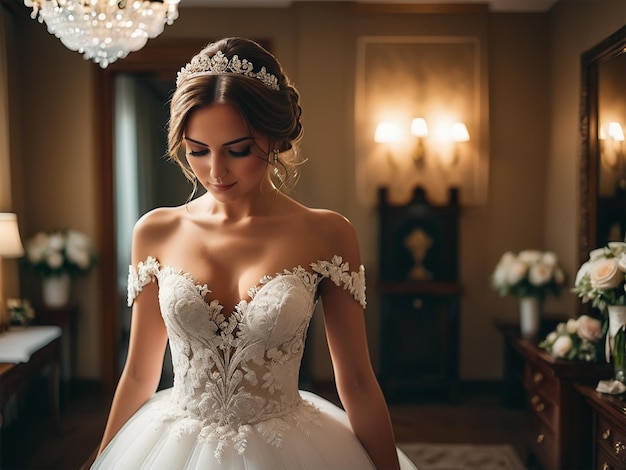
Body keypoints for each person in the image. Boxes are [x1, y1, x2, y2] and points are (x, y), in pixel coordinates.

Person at [90, 37, 416, 470]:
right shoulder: (155, 231)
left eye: (238, 150)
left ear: (276, 138)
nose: (216, 171)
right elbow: (137, 375)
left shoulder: (328, 234)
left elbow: (355, 380)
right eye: (197, 151)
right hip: (172, 444)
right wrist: (102, 458)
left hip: (290, 446)